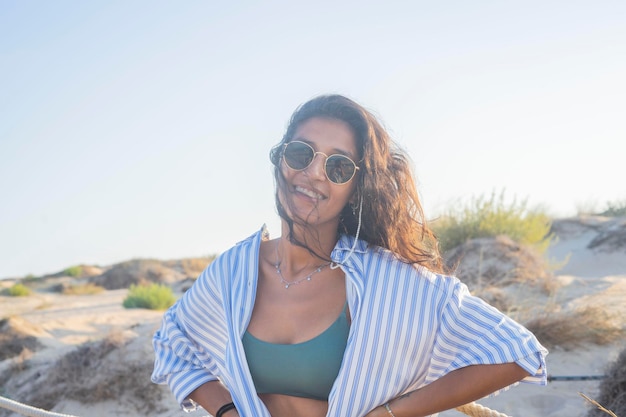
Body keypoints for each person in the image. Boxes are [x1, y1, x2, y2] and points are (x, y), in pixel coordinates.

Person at [152, 94, 548, 417]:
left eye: (339, 166)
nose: (315, 173)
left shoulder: (385, 278)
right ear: (280, 161)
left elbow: (515, 352)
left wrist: (391, 414)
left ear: (356, 186)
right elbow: (174, 342)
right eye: (301, 153)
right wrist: (226, 411)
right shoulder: (235, 269)